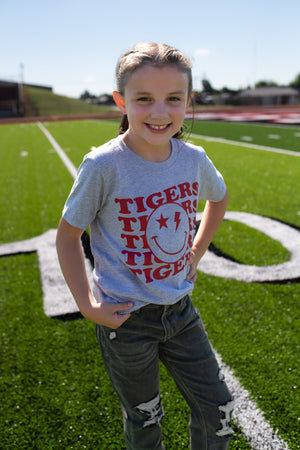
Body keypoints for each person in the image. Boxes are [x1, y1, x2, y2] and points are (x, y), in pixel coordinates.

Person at [56, 42, 234, 450]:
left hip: (181, 311)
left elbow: (218, 197)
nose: (159, 112)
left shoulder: (193, 158)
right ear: (121, 101)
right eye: (143, 99)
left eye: (173, 99)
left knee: (218, 410)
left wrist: (197, 251)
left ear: (188, 102)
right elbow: (67, 236)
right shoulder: (103, 165)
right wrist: (86, 304)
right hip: (127, 321)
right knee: (145, 418)